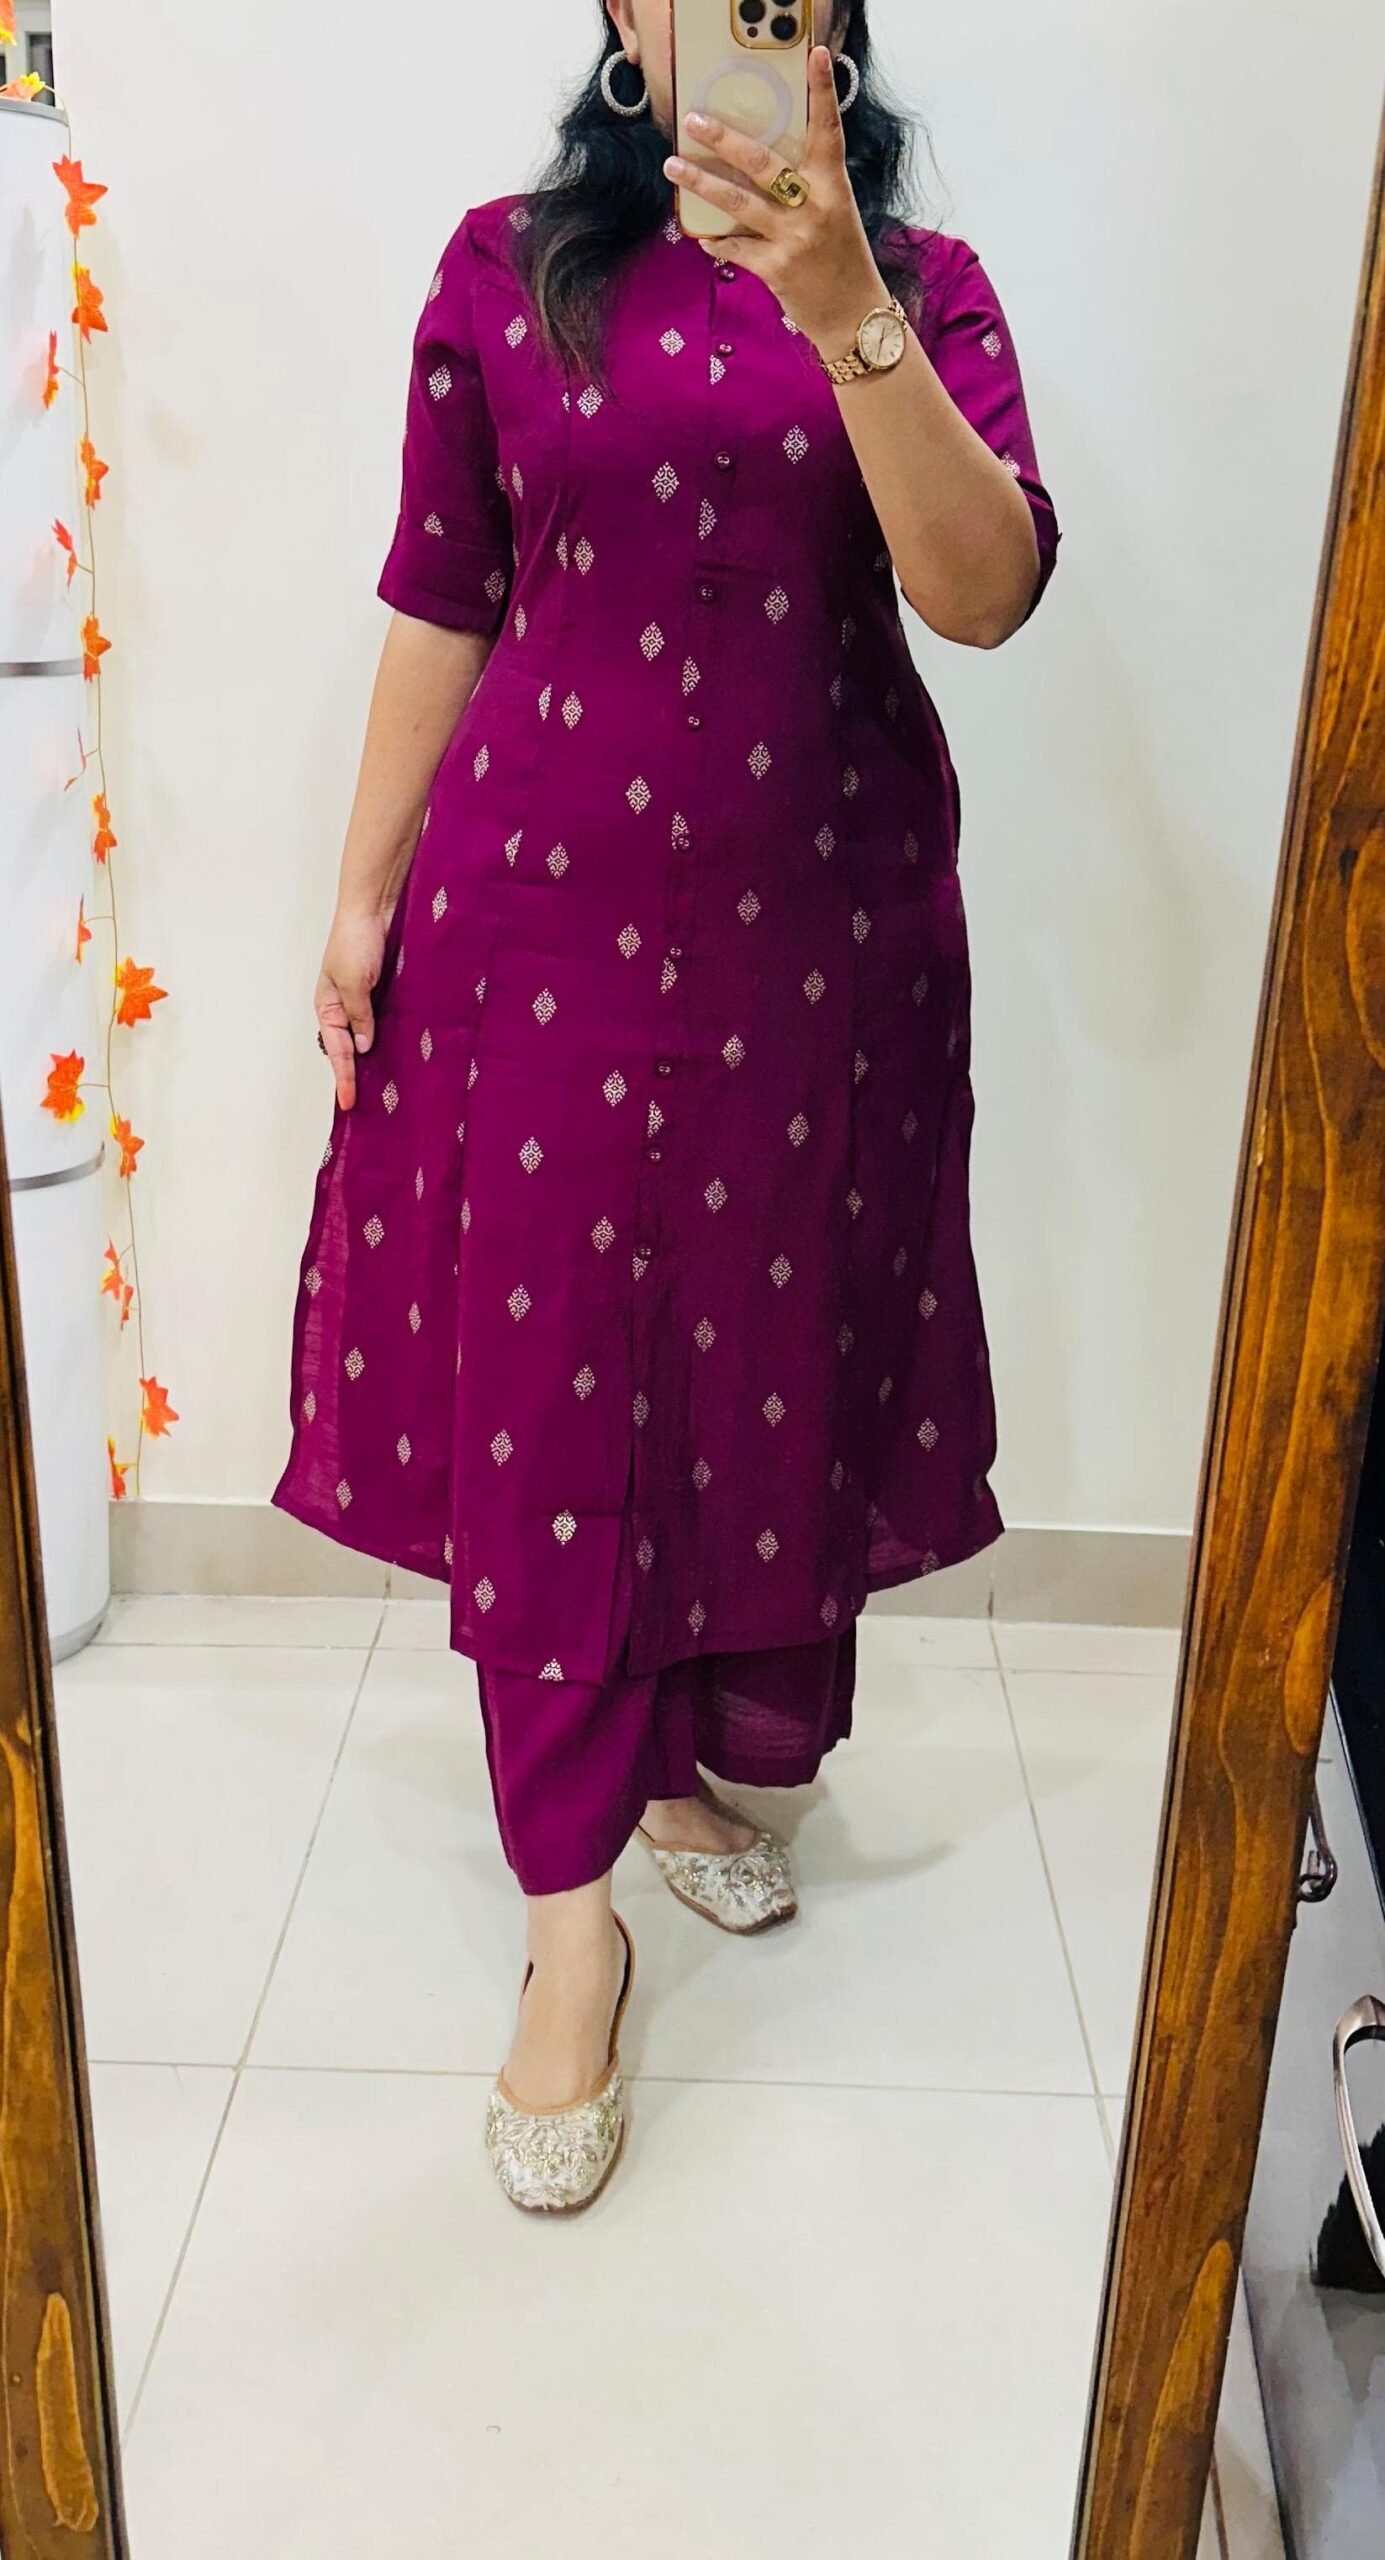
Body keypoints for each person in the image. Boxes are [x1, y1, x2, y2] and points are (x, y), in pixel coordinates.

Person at [272, 0, 1059, 2213]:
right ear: (623, 17)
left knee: (750, 1367)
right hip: (539, 928)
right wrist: (360, 894)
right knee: (549, 1395)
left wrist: (846, 307)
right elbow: (445, 593)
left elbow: (986, 593)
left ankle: (678, 1769)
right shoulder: (504, 270)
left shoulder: (925, 287)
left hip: (821, 941)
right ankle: (568, 1931)